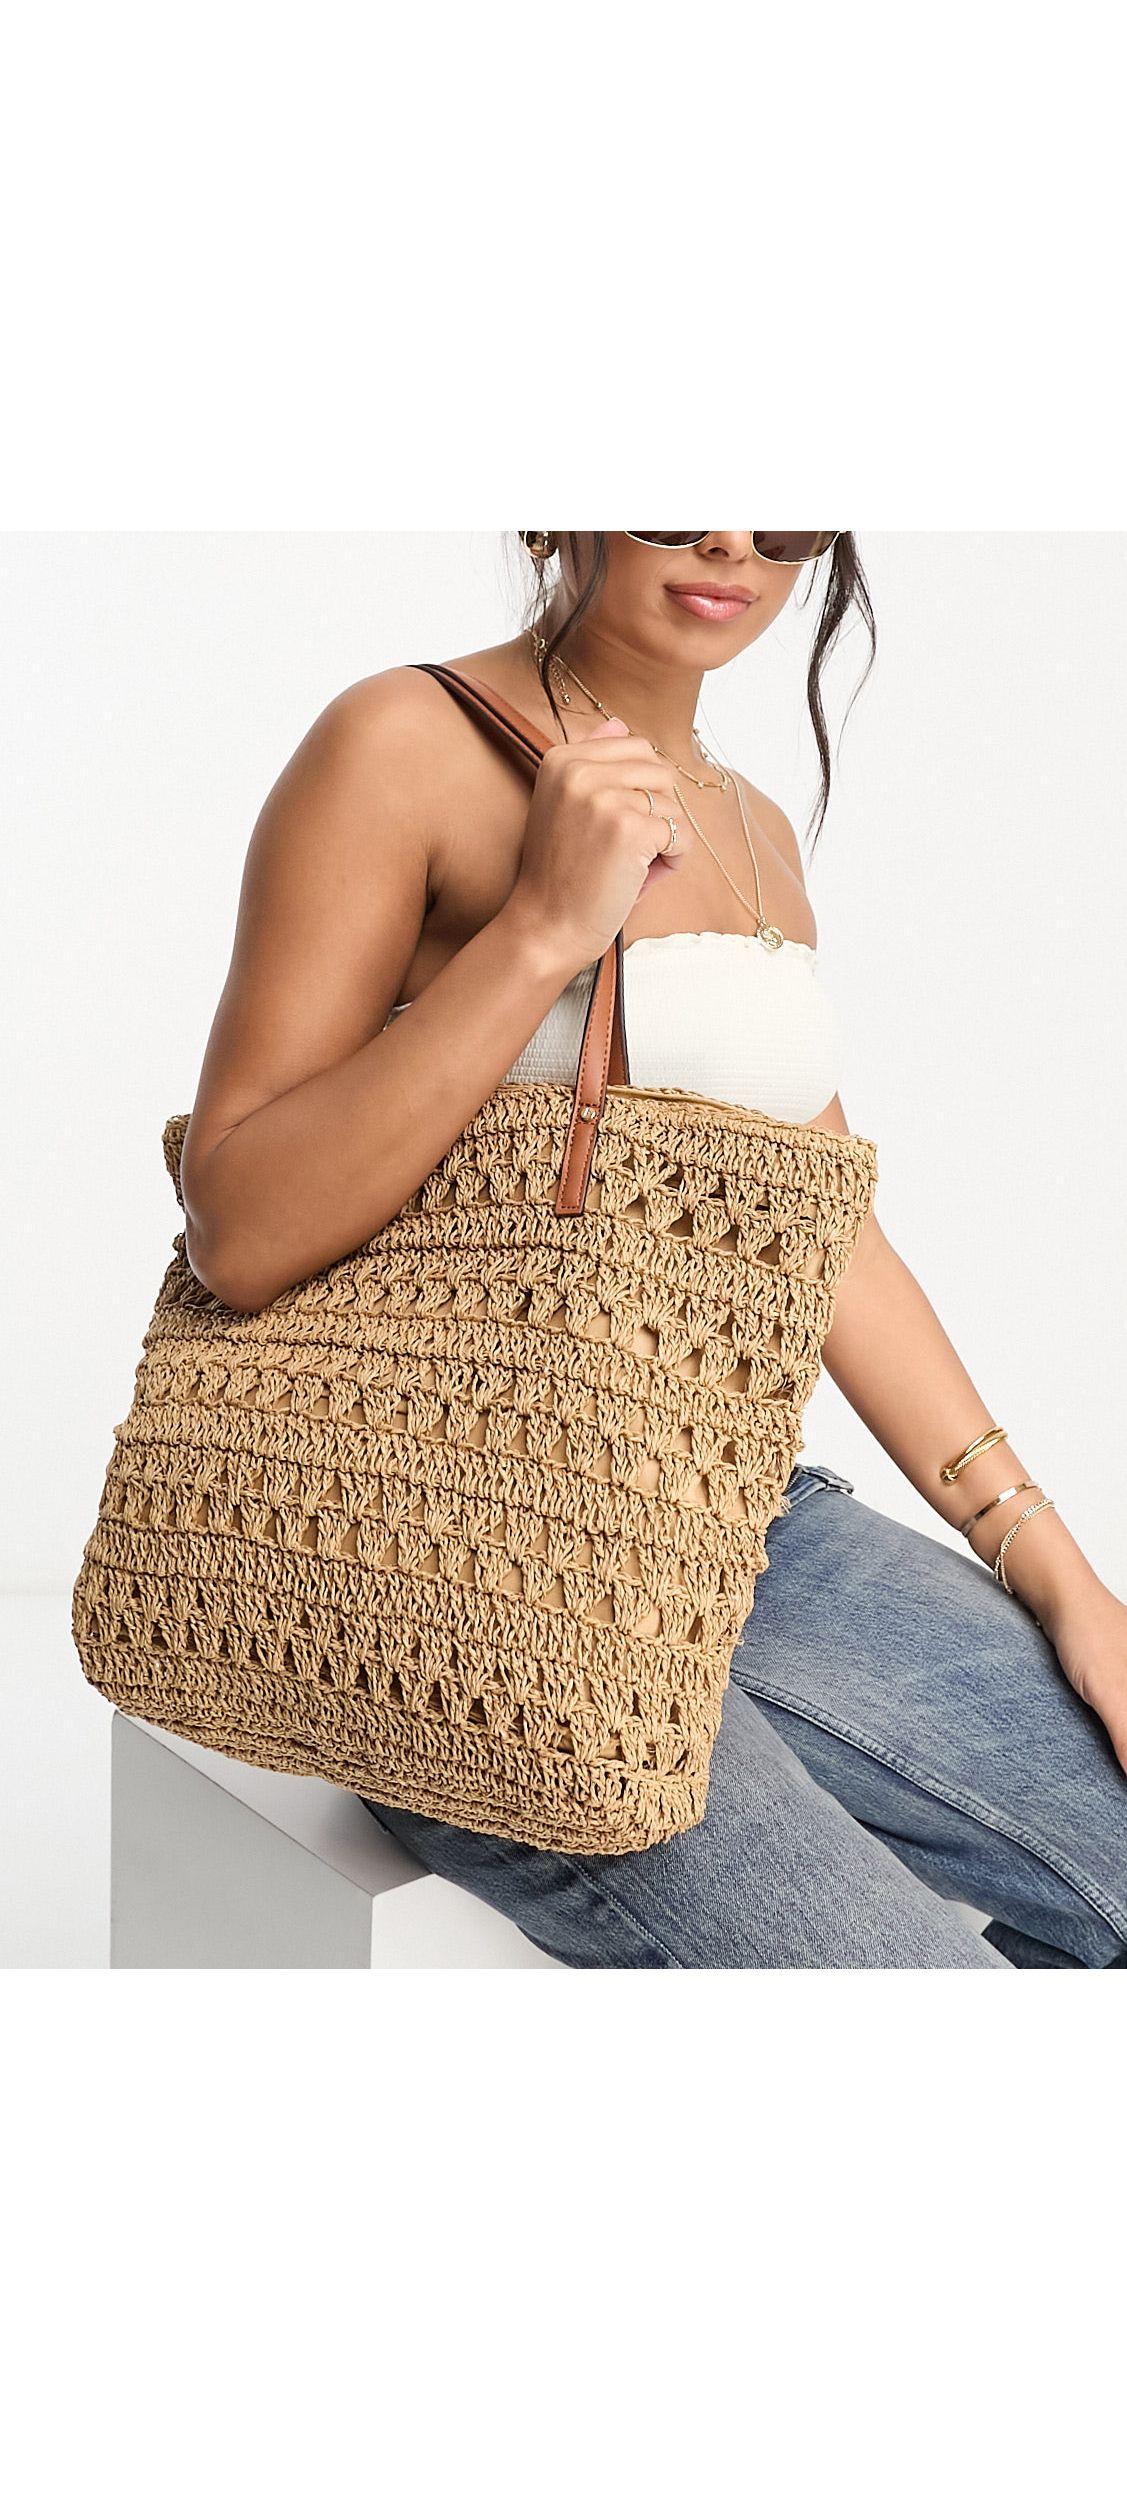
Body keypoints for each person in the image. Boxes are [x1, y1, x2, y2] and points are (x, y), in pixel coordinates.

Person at [180, 531, 1127, 1968]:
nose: (735, 540)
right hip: (457, 1562)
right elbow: (239, 1229)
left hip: (740, 1523)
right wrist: (543, 928)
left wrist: (1059, 1574)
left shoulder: (755, 829)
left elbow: (828, 1236)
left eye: (784, 511)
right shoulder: (401, 741)